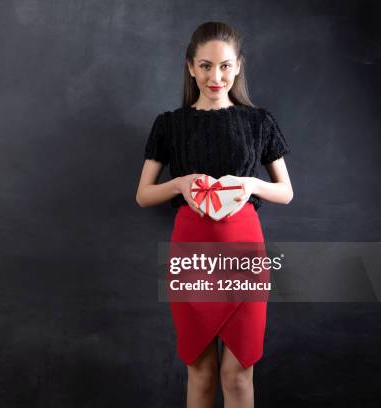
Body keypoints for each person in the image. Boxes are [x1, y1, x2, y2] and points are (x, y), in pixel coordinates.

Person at [135, 22, 294, 408]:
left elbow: (285, 192)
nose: (215, 76)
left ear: (238, 67)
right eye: (205, 66)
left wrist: (251, 185)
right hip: (191, 256)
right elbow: (143, 195)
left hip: (245, 255)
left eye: (224, 66)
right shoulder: (169, 124)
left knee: (237, 375)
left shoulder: (259, 122)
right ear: (191, 67)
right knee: (201, 372)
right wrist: (180, 184)